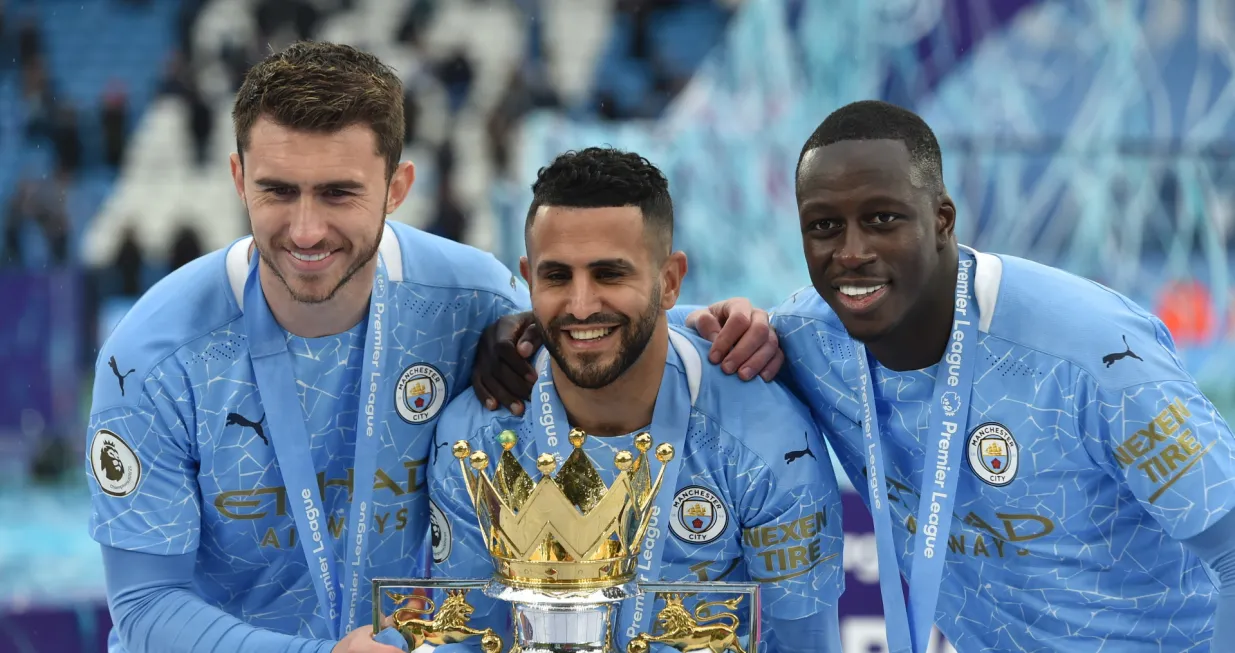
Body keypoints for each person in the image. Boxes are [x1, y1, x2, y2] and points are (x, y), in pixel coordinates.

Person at [472, 101, 1235, 652]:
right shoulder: (812, 338)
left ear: (942, 218)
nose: (851, 251)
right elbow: (635, 325)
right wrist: (522, 328)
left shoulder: (1094, 357)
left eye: (882, 219)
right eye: (823, 226)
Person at [87, 42, 529, 653]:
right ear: (239, 178)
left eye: (337, 193)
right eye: (278, 191)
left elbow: (604, 326)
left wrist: (701, 327)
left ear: (397, 186)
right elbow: (143, 606)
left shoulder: (474, 303)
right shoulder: (152, 357)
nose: (305, 230)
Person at [432, 147, 845, 652]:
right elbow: (467, 640)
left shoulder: (768, 440)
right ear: (529, 275)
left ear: (669, 281)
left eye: (610, 274)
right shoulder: (475, 438)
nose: (581, 306)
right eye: (557, 276)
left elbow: (805, 646)